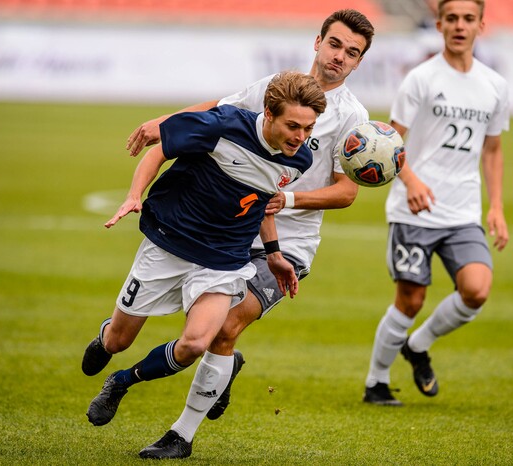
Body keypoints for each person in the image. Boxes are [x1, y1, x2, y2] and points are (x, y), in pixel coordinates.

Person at [90, 9, 374, 460]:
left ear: (359, 63)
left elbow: (346, 193)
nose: (340, 57)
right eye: (335, 44)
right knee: (202, 336)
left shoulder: (353, 118)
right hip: (231, 228)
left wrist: (291, 202)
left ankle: (180, 435)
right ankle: (210, 367)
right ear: (317, 41)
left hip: (288, 244)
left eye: (352, 53)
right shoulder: (276, 87)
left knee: (222, 330)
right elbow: (218, 113)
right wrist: (166, 121)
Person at [81, 71, 327, 455]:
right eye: (292, 126)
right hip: (168, 245)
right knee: (119, 339)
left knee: (197, 343)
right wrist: (134, 194)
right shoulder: (222, 124)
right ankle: (105, 336)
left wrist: (275, 255)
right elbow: (159, 149)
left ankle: (123, 381)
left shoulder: (300, 159)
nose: (299, 136)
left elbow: (259, 201)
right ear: (268, 114)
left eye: (307, 127)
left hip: (224, 260)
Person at [363, 0, 509, 406]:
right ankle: (376, 382)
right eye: (452, 19)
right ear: (440, 24)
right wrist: (409, 181)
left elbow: (493, 150)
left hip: (463, 211)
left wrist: (495, 206)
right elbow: (388, 143)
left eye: (468, 19)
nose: (460, 26)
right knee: (410, 299)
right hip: (415, 209)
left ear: (482, 24)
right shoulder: (421, 79)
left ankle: (418, 345)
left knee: (476, 290)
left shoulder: (495, 85)